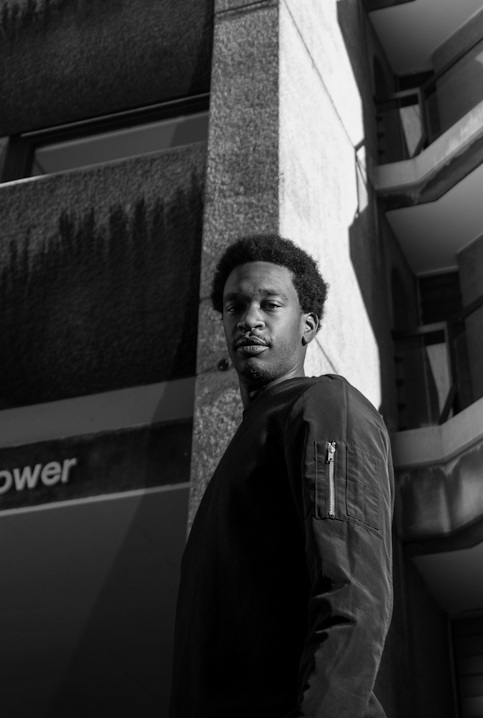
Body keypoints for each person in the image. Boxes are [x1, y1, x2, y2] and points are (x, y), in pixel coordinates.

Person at [169, 233, 393, 717]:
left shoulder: (323, 405)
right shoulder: (243, 450)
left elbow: (354, 589)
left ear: (308, 325)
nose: (249, 319)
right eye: (235, 307)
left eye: (270, 305)